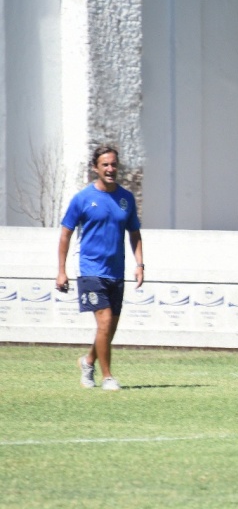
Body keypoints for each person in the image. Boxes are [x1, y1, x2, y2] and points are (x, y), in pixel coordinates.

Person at [56, 145, 143, 391]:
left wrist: (140, 264)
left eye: (113, 164)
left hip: (116, 271)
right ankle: (107, 377)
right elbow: (65, 235)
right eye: (105, 164)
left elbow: (135, 233)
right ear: (96, 167)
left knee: (109, 328)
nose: (110, 169)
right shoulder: (82, 199)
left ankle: (88, 361)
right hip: (90, 270)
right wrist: (62, 270)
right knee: (104, 323)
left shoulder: (126, 199)